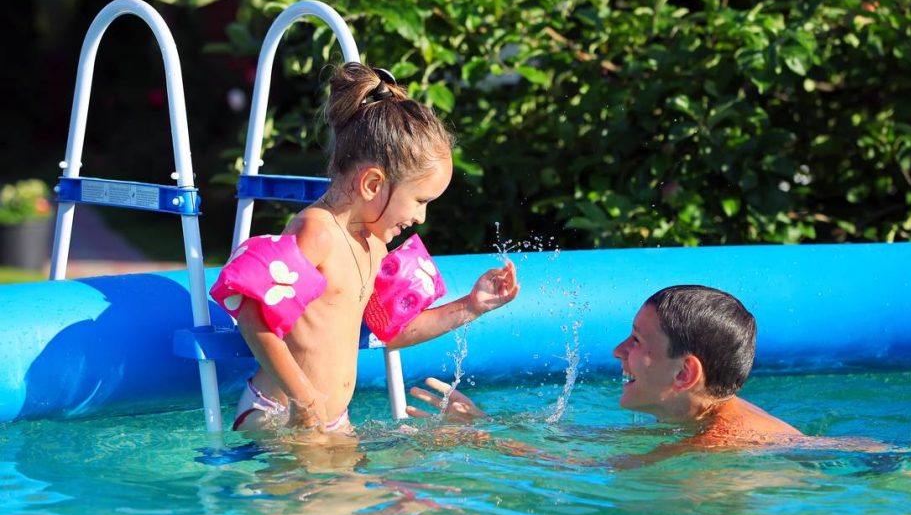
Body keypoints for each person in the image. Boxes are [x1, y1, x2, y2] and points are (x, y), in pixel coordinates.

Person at [213, 62, 519, 438]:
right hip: (280, 414)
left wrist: (471, 306)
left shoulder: (374, 244)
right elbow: (250, 313)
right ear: (374, 183)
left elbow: (392, 332)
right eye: (420, 200)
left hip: (328, 421)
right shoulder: (317, 232)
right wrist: (304, 400)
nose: (421, 217)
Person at [408, 285, 803, 452]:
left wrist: (482, 439)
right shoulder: (697, 418)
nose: (617, 351)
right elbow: (597, 443)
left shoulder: (718, 442)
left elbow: (590, 467)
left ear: (684, 374)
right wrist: (488, 422)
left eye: (636, 341)